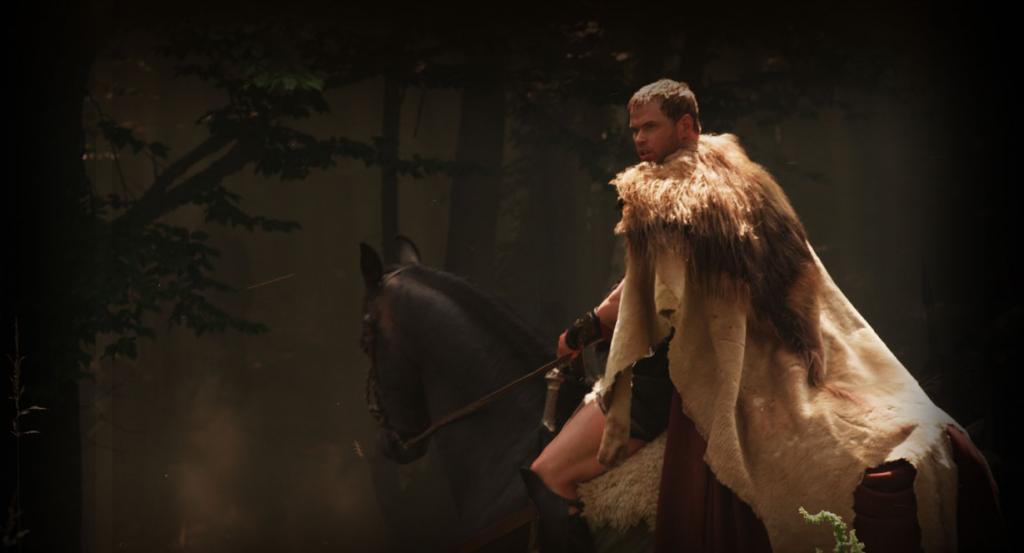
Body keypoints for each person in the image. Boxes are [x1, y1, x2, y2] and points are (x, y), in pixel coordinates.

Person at [523, 79, 1004, 553]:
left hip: (684, 374)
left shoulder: (663, 195)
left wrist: (582, 332)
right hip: (764, 358)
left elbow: (647, 297)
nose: (640, 140)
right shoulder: (747, 182)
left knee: (549, 474)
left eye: (650, 127)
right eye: (634, 130)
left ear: (686, 127)